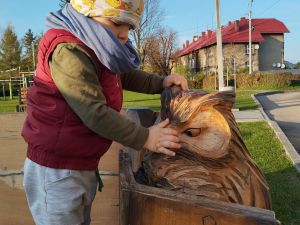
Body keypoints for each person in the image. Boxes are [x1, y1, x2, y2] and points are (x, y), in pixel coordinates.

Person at [22, 0, 188, 224]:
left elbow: (126, 75)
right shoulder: (69, 50)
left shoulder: (97, 45)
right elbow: (93, 112)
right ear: (87, 14)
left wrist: (161, 82)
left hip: (81, 161)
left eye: (130, 27)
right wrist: (145, 137)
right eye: (116, 22)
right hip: (56, 169)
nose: (124, 34)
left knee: (80, 218)